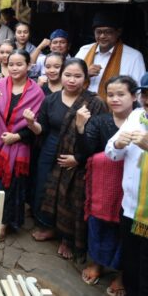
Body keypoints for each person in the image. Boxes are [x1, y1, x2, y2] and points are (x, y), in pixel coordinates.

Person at [26, 58, 106, 260]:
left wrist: (78, 158)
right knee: (44, 188)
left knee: (69, 196)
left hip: (77, 153)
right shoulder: (50, 99)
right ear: (61, 75)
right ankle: (48, 227)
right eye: (68, 75)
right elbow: (41, 129)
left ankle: (67, 238)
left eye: (77, 76)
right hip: (50, 150)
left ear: (86, 78)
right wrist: (30, 123)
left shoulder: (94, 103)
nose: (72, 80)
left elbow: (98, 140)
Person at [0, 49, 44, 239]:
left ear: (29, 66)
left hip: (18, 146)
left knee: (10, 186)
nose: (14, 68)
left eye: (19, 64)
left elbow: (38, 125)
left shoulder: (36, 92)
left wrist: (17, 137)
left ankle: (3, 225)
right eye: (11, 64)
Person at [78, 76, 136, 294]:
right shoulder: (100, 121)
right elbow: (86, 151)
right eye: (110, 95)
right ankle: (97, 263)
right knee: (99, 225)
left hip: (133, 185)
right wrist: (81, 128)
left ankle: (122, 273)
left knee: (126, 229)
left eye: (121, 94)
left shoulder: (141, 121)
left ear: (134, 96)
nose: (115, 99)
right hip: (102, 184)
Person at [106, 76, 148, 296]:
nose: (147, 99)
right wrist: (118, 143)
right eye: (145, 94)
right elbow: (111, 151)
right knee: (131, 262)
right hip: (131, 206)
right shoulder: (136, 116)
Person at [76, 11, 145, 98]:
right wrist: (84, 74)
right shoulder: (84, 50)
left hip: (116, 108)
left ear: (118, 32)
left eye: (108, 32)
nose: (102, 36)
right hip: (82, 106)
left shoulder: (133, 56)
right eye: (98, 32)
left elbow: (138, 92)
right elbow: (68, 78)